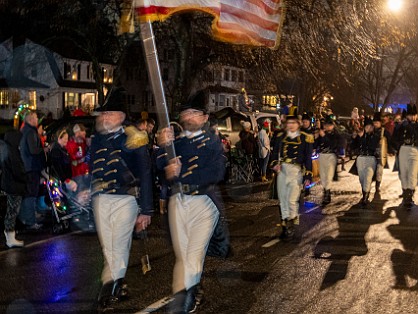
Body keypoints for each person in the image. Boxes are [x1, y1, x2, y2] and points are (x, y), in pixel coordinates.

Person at [156, 90, 226, 313]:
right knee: (183, 255)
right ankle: (194, 292)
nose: (189, 117)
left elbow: (216, 173)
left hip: (203, 202)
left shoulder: (213, 143)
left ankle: (182, 304)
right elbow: (157, 167)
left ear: (205, 118)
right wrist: (161, 147)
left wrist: (181, 172)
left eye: (195, 113)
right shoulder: (176, 143)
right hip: (178, 201)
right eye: (186, 113)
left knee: (193, 255)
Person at [90, 87, 154, 311]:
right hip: (102, 198)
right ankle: (118, 281)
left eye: (109, 113)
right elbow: (93, 169)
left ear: (121, 116)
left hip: (126, 199)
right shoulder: (97, 139)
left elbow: (146, 174)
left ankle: (109, 288)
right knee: (108, 246)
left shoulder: (134, 138)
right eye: (103, 114)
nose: (104, 117)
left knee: (117, 244)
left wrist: (146, 209)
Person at [271, 114, 313, 240]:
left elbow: (307, 158)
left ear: (298, 124)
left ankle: (291, 224)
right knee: (282, 199)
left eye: (294, 123)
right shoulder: (280, 137)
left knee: (292, 199)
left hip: (296, 170)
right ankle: (285, 226)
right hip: (283, 169)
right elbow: (274, 153)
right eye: (289, 123)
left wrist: (308, 175)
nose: (291, 125)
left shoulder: (306, 138)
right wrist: (274, 164)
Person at [18, 111, 46, 230]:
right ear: (30, 120)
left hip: (27, 167)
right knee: (31, 194)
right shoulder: (30, 132)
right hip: (31, 167)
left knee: (29, 194)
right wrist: (44, 149)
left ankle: (26, 217)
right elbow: (33, 150)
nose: (37, 119)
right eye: (35, 118)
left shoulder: (25, 131)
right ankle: (30, 221)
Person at [1, 130, 27, 247]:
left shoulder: (6, 151)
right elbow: (18, 171)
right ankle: (10, 238)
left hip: (9, 184)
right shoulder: (13, 153)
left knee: (11, 210)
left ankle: (10, 235)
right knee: (13, 211)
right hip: (14, 185)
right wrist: (25, 177)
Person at [314, 115, 345, 205]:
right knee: (323, 175)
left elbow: (334, 144)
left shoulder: (336, 134)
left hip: (331, 156)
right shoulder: (321, 133)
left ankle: (327, 194)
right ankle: (326, 192)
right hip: (322, 155)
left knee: (328, 175)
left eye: (329, 125)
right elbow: (315, 145)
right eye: (325, 125)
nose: (327, 127)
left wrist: (323, 137)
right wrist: (316, 138)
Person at [351, 116, 380, 207]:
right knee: (362, 178)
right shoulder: (361, 135)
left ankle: (365, 198)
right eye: (367, 127)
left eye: (370, 127)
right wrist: (355, 138)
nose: (368, 128)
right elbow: (353, 146)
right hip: (360, 158)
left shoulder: (375, 136)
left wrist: (362, 137)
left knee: (368, 177)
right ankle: (365, 193)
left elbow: (371, 146)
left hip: (371, 158)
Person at [393, 104, 418, 208]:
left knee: (412, 173)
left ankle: (409, 195)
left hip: (415, 149)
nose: (412, 117)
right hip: (403, 149)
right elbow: (394, 138)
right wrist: (398, 147)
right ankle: (406, 192)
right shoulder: (401, 125)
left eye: (414, 115)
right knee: (404, 172)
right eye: (410, 115)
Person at [372, 112, 391, 193]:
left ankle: (377, 186)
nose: (375, 124)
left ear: (380, 123)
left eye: (377, 123)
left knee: (379, 171)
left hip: (381, 154)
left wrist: (391, 150)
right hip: (371, 154)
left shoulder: (385, 132)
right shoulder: (370, 130)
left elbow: (389, 142)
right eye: (374, 123)